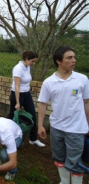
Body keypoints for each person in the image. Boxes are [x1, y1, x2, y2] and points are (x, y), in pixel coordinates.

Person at [38, 46, 89, 184]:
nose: (74, 60)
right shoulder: (49, 82)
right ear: (58, 61)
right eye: (69, 57)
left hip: (76, 129)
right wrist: (40, 125)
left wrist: (88, 124)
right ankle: (64, 181)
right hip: (57, 127)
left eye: (74, 57)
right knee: (59, 157)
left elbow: (86, 103)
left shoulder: (82, 79)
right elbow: (42, 104)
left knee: (75, 162)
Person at [7, 51, 45, 147]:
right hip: (17, 95)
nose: (33, 63)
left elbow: (26, 82)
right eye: (32, 61)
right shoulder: (18, 68)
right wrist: (18, 102)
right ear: (26, 59)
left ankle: (33, 139)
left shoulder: (27, 67)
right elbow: (17, 86)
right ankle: (3, 132)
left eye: (35, 61)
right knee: (12, 115)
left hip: (26, 94)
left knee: (32, 115)